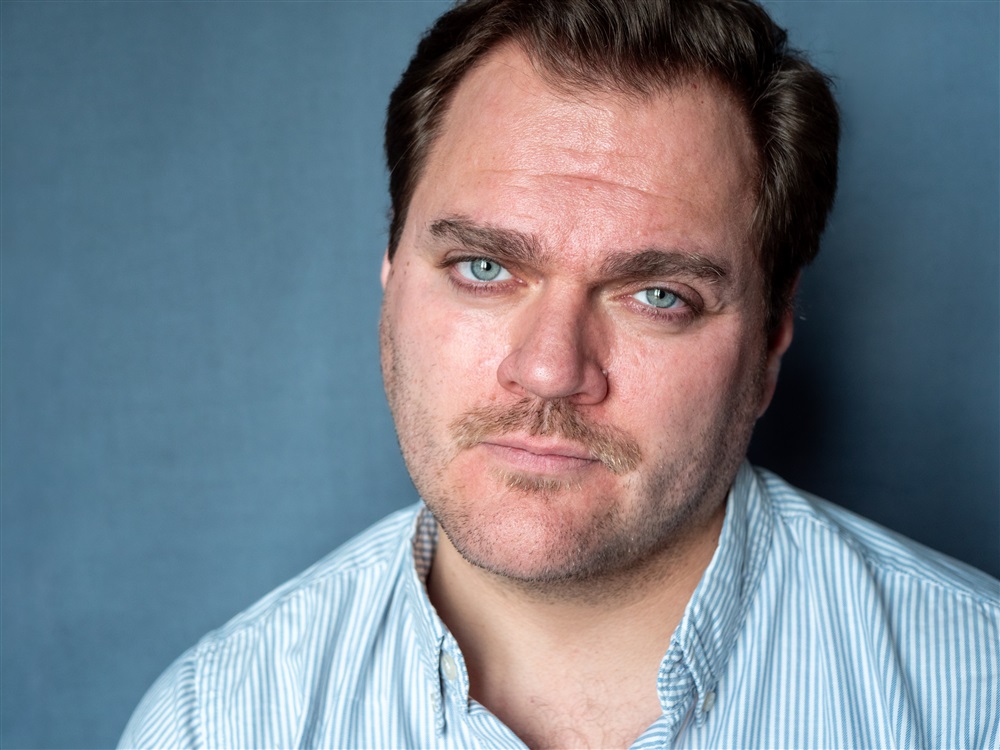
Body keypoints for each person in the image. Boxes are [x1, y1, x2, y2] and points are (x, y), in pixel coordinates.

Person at [120, 1, 999, 747]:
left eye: (657, 295)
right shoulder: (217, 724)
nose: (549, 370)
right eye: (484, 268)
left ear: (771, 341)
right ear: (390, 276)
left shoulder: (974, 702)